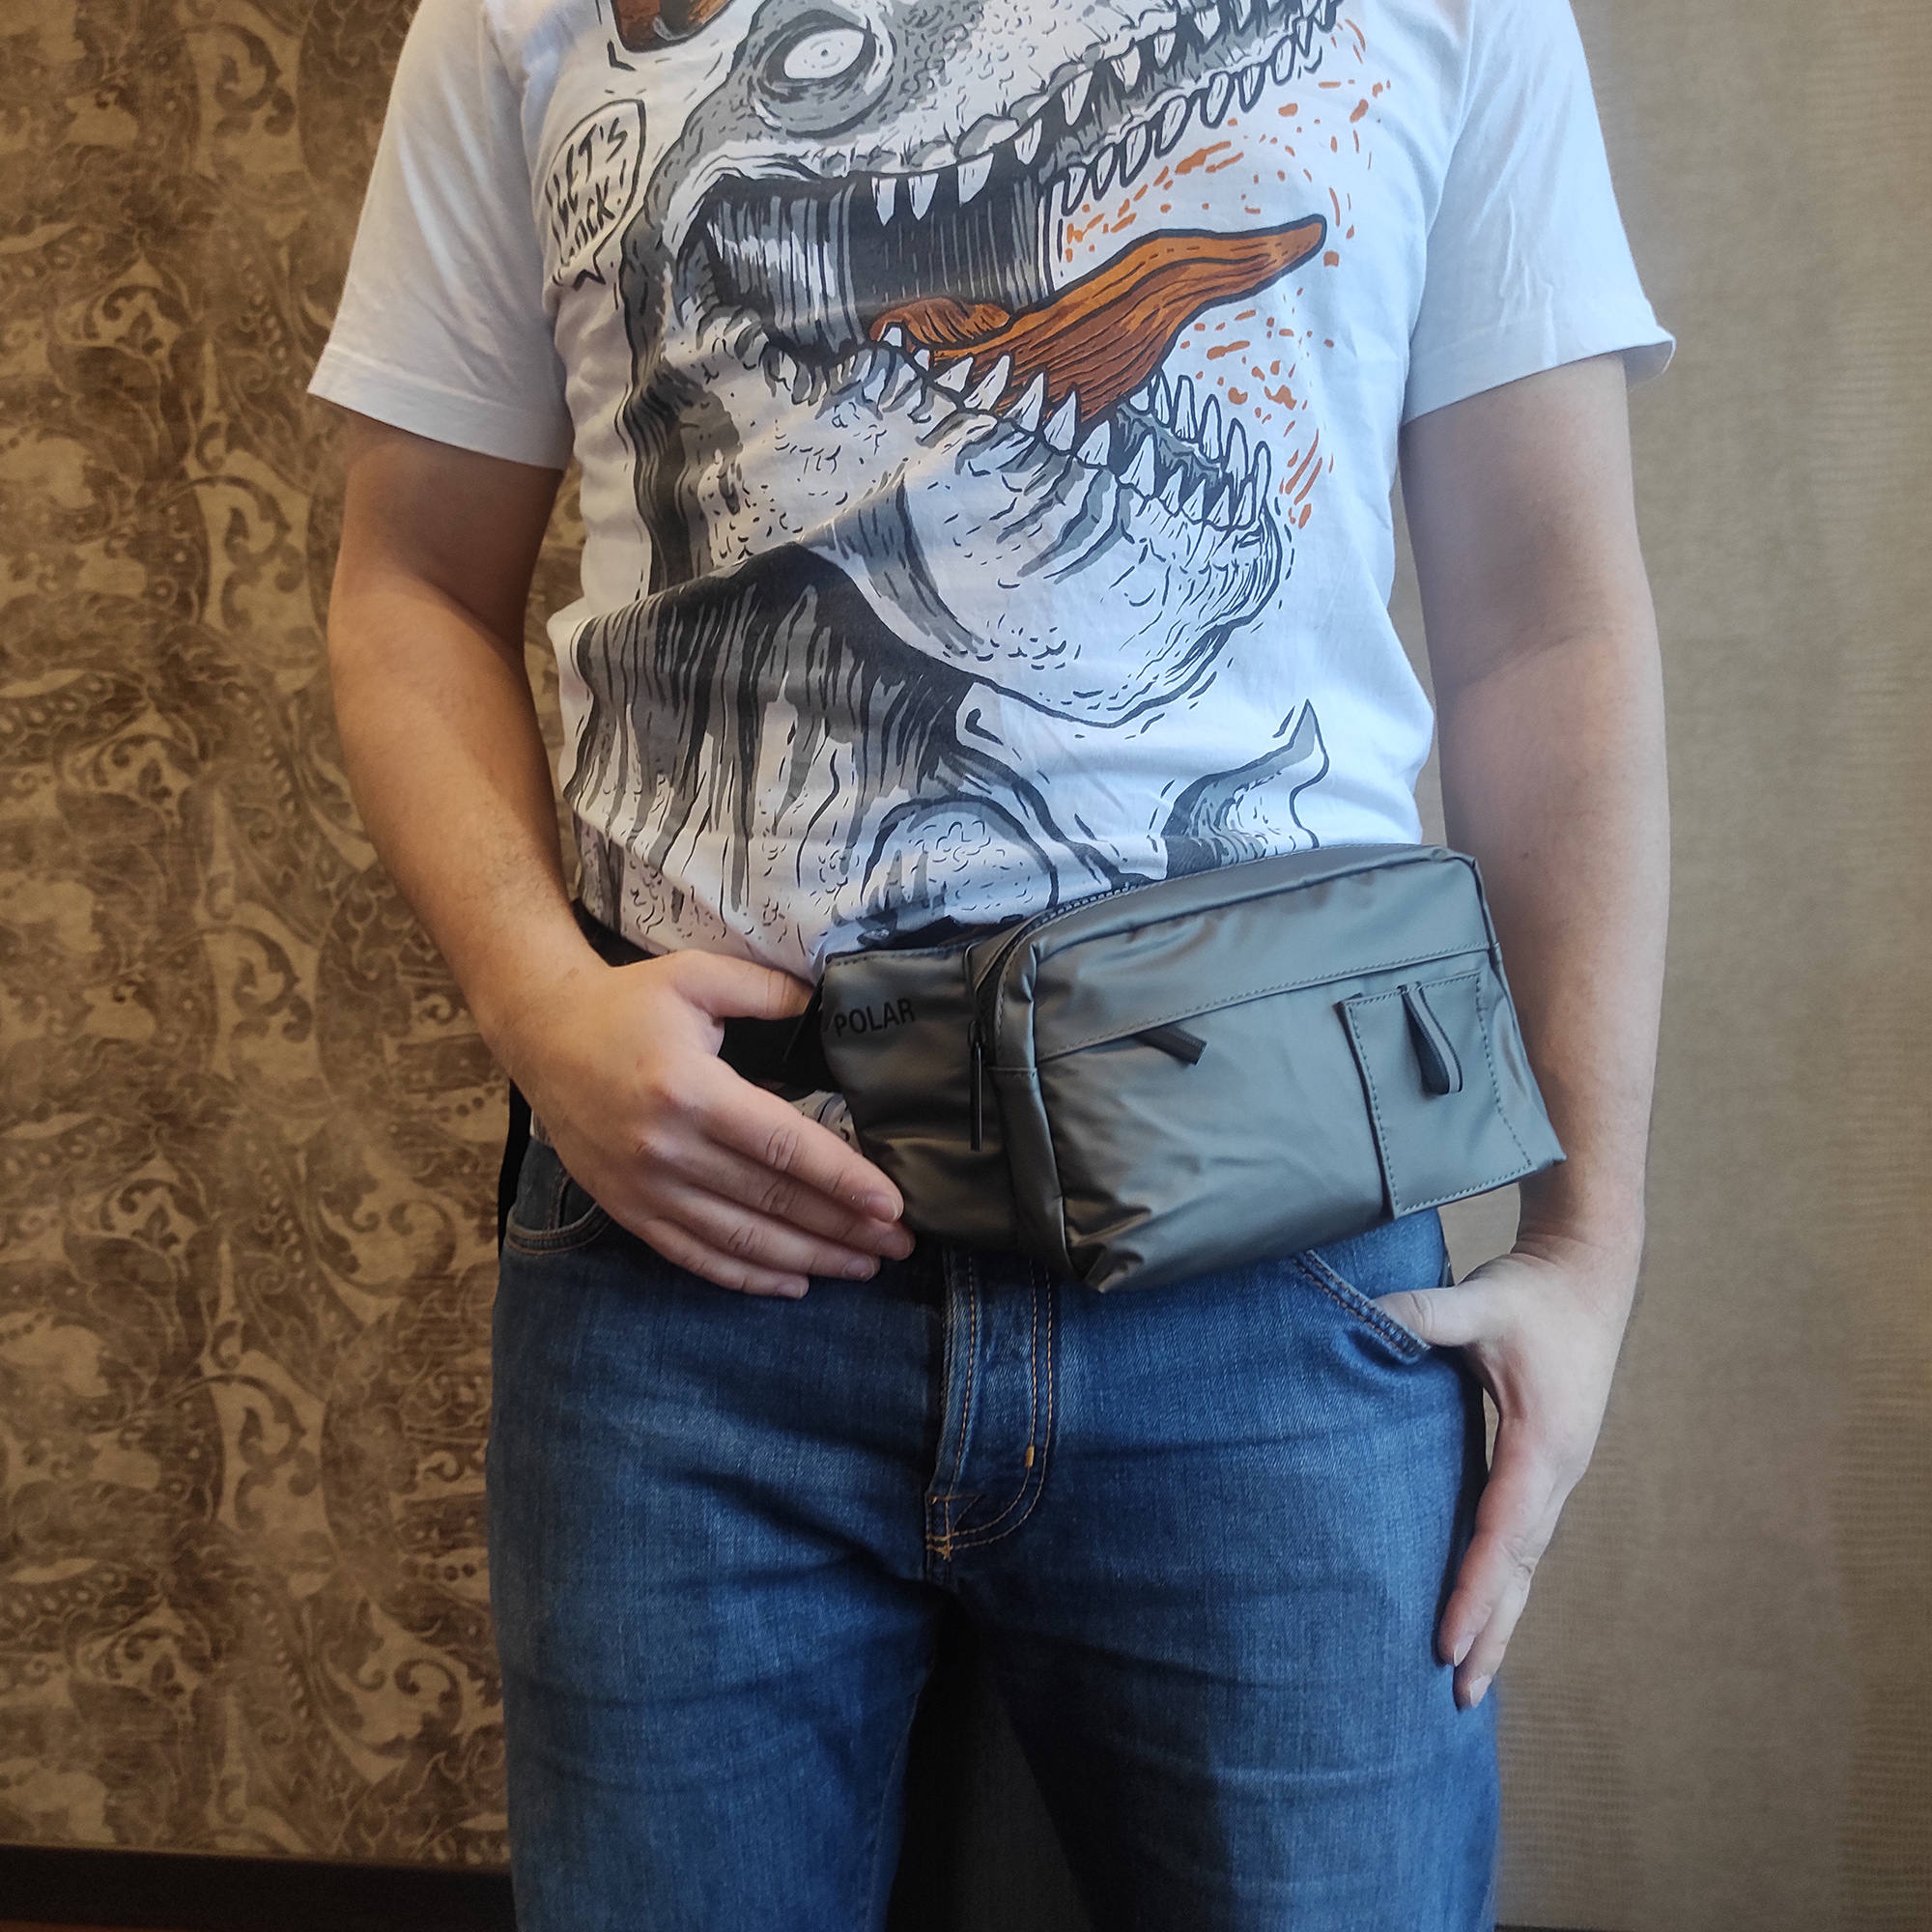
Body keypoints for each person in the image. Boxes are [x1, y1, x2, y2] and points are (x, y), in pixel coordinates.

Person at [311, 0, 1672, 1923]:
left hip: (1282, 1271)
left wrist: (1585, 1250)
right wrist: (538, 1000)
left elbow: (1547, 626)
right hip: (690, 1275)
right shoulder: (512, 24)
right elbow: (409, 585)